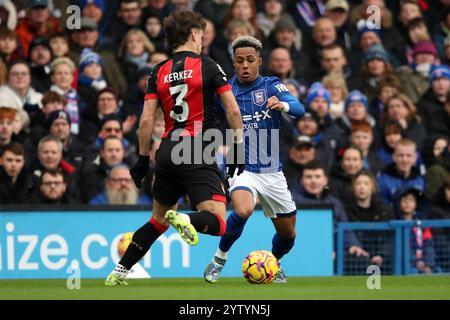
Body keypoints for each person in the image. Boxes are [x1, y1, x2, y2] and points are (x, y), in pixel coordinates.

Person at [105, 10, 244, 286]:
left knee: (158, 220)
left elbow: (146, 120)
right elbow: (233, 110)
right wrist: (238, 150)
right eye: (201, 35)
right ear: (194, 35)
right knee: (219, 222)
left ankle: (119, 271)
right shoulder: (208, 65)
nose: (202, 40)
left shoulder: (158, 71)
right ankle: (186, 220)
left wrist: (143, 159)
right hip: (197, 149)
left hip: (166, 150)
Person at [203, 36, 305, 284]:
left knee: (288, 234)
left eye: (250, 60)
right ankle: (219, 259)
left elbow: (299, 108)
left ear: (259, 61)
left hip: (271, 168)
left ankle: (273, 261)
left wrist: (282, 105)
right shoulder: (226, 92)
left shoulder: (271, 85)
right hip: (240, 163)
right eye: (240, 61)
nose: (245, 65)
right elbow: (209, 118)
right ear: (234, 64)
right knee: (243, 209)